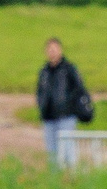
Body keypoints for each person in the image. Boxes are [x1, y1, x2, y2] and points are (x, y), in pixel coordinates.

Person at [35, 37, 93, 168]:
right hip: (49, 117)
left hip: (66, 116)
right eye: (50, 50)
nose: (52, 52)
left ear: (60, 50)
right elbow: (40, 91)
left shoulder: (69, 69)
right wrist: (41, 105)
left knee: (67, 150)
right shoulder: (44, 71)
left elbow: (79, 89)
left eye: (54, 49)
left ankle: (71, 174)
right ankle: (55, 177)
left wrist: (70, 105)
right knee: (52, 152)